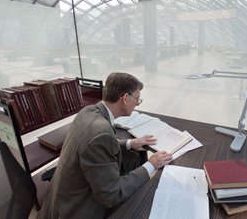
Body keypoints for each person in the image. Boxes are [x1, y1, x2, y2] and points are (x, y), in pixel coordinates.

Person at [38, 72, 173, 218]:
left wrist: (129, 143)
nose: (137, 104)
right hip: (77, 209)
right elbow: (112, 194)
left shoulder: (88, 111)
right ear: (125, 98)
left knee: (134, 156)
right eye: (137, 100)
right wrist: (151, 165)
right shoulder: (101, 133)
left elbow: (93, 144)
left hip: (59, 199)